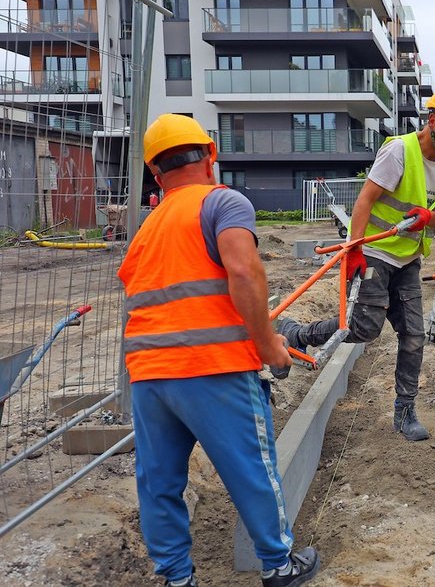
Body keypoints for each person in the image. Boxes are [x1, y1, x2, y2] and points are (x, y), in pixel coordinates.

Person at [118, 114, 320, 587]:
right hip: (214, 367)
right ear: (211, 156)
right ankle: (278, 565)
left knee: (159, 484)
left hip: (148, 376)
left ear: (155, 173)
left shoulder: (146, 230)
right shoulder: (222, 202)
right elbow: (245, 273)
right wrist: (269, 345)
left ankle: (175, 578)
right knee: (252, 468)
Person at [278, 85, 435, 441]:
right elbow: (365, 200)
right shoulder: (399, 150)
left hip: (408, 258)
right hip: (375, 252)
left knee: (414, 336)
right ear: (433, 121)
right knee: (365, 328)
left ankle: (404, 412)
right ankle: (296, 334)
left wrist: (427, 217)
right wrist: (353, 249)